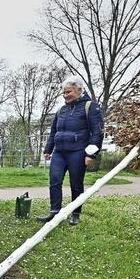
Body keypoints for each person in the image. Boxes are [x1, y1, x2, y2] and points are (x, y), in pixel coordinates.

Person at [36, 76, 103, 226]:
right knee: (54, 181)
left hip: (78, 151)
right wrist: (48, 149)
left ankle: (75, 214)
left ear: (79, 90)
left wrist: (91, 153)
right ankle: (54, 212)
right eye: (64, 93)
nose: (66, 95)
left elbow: (97, 133)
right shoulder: (62, 110)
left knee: (76, 184)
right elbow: (54, 131)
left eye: (69, 92)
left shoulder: (90, 106)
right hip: (59, 152)